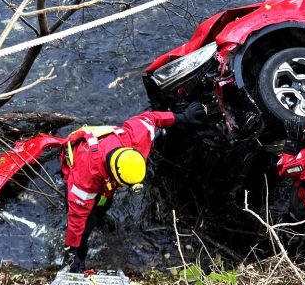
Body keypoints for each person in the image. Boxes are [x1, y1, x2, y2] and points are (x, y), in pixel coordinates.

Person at [61, 103, 205, 272]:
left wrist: (182, 117)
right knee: (86, 223)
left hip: (106, 175)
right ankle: (78, 254)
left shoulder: (136, 138)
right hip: (79, 161)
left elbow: (151, 118)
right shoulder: (84, 180)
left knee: (104, 205)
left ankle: (100, 216)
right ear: (115, 176)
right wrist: (74, 251)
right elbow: (76, 219)